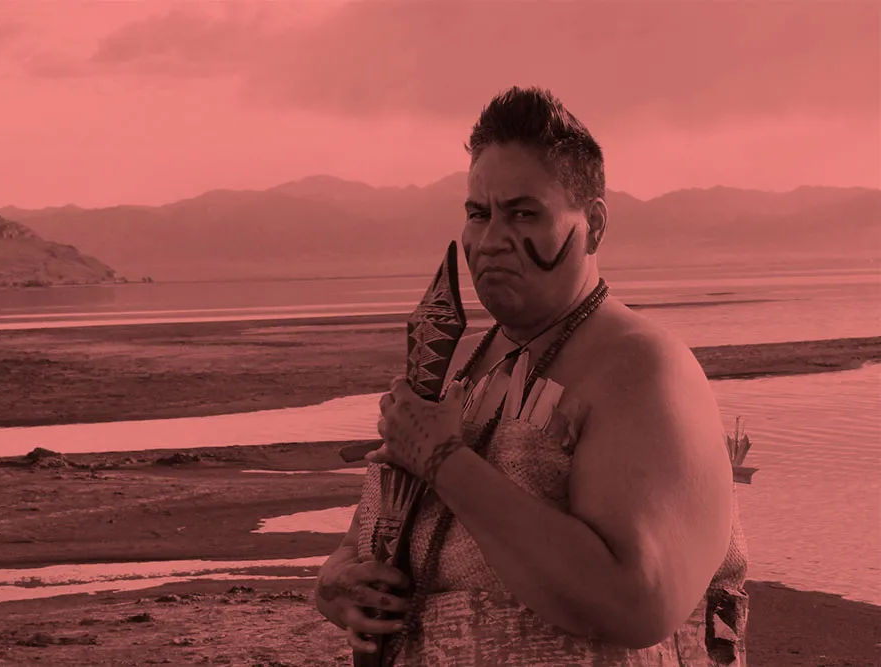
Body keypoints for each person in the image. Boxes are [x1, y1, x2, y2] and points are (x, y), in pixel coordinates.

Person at [314, 86, 749, 666]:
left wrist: (444, 461)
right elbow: (365, 539)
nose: (491, 241)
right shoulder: (460, 367)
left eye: (523, 213)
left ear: (593, 225)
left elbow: (639, 603)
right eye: (478, 214)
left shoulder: (645, 368)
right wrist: (338, 586)